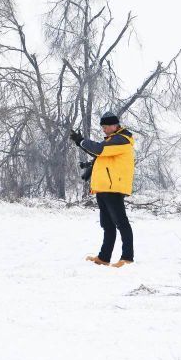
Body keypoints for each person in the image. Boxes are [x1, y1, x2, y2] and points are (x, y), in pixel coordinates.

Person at [69, 113, 135, 267]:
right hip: (104, 188)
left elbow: (99, 149)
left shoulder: (122, 140)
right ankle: (104, 258)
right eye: (103, 127)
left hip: (113, 187)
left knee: (121, 223)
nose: (104, 130)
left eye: (106, 127)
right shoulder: (112, 141)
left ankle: (127, 257)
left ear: (114, 125)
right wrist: (80, 143)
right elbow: (98, 153)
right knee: (107, 225)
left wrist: (82, 141)